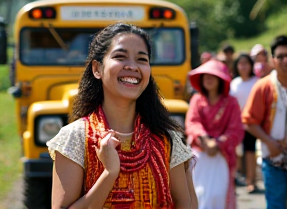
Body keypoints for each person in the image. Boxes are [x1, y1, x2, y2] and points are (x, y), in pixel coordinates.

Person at [47, 23, 198, 209]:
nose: (133, 66)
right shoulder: (75, 137)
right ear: (97, 69)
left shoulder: (166, 139)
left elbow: (186, 204)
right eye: (120, 57)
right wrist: (110, 173)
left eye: (142, 59)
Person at [185, 59, 244, 209]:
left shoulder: (231, 102)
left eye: (212, 76)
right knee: (198, 194)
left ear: (221, 80)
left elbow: (236, 129)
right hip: (199, 155)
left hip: (222, 156)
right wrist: (205, 139)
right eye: (205, 76)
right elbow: (192, 123)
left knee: (218, 195)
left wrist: (218, 143)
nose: (208, 79)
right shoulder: (197, 100)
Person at [242, 35, 287, 209]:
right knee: (276, 205)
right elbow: (249, 121)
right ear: (273, 60)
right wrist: (270, 142)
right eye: (281, 56)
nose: (285, 61)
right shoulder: (263, 86)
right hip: (273, 158)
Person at [230, 54, 259, 193]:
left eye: (246, 63)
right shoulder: (234, 83)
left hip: (252, 123)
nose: (243, 66)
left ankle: (251, 181)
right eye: (240, 63)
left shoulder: (257, 81)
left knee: (250, 151)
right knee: (235, 153)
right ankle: (235, 179)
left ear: (251, 65)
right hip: (236, 123)